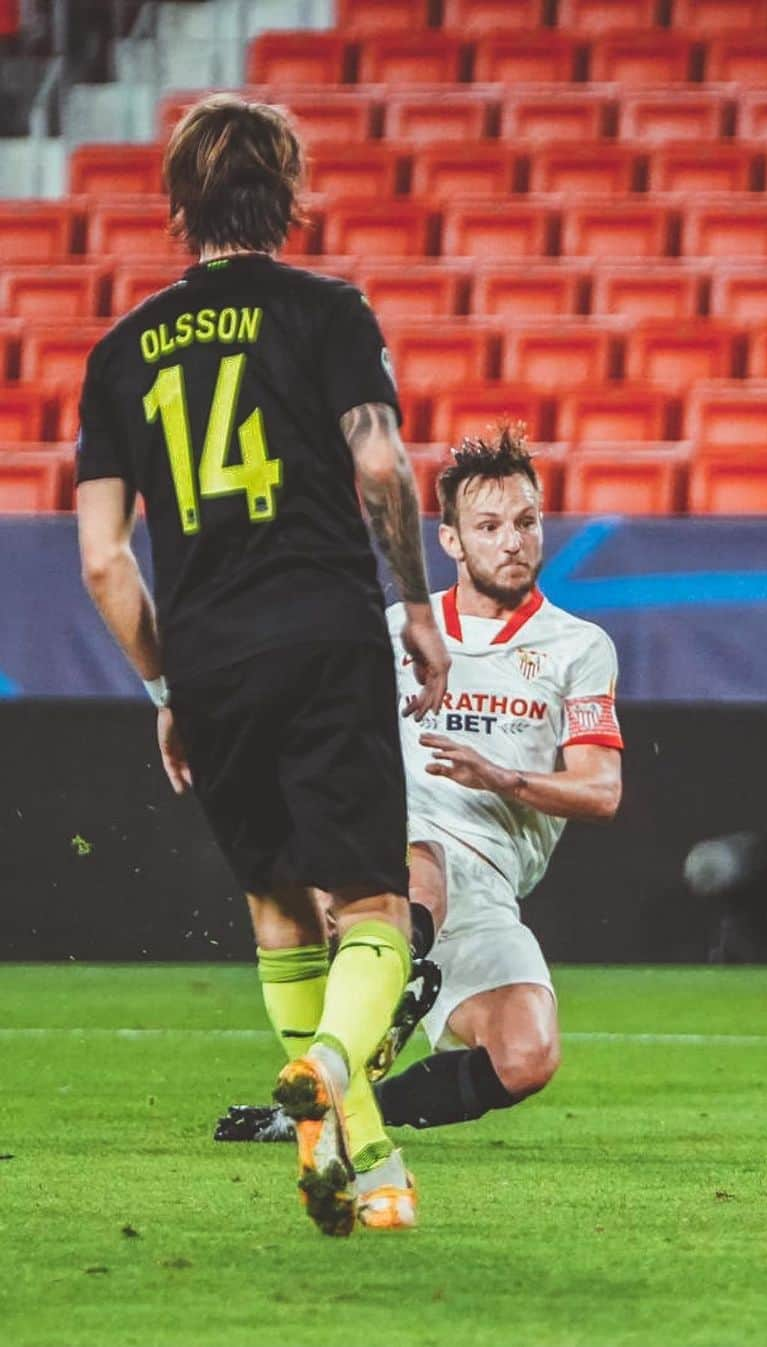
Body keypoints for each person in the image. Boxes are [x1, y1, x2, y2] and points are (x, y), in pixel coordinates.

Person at [74, 93, 450, 1235]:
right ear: (285, 196)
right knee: (372, 901)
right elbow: (381, 466)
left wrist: (165, 688)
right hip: (326, 631)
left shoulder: (118, 350)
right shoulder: (326, 312)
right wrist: (418, 603)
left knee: (279, 908)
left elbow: (103, 564)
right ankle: (336, 1066)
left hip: (211, 657)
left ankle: (366, 1163)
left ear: (181, 205)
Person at [217, 426, 623, 1138]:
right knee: (422, 867)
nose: (513, 541)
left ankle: (338, 1114)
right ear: (453, 542)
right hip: (400, 841)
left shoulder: (579, 647)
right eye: (489, 526)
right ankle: (369, 1001)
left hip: (491, 881)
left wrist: (503, 777)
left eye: (526, 522)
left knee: (528, 1055)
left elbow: (602, 789)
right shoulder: (399, 630)